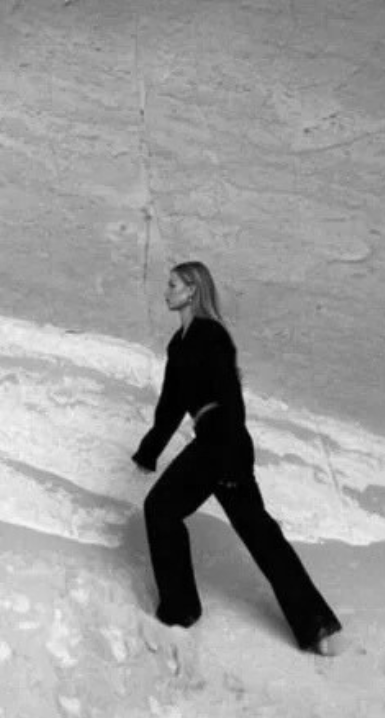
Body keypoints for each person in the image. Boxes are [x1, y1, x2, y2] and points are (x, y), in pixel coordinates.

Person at [132, 261, 344, 656]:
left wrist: (231, 460)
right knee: (256, 530)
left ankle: (183, 611)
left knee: (168, 509)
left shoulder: (212, 335)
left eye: (173, 284)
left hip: (223, 441)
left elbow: (230, 398)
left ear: (193, 290)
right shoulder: (178, 345)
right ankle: (313, 625)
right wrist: (149, 451)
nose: (166, 291)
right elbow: (171, 405)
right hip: (212, 440)